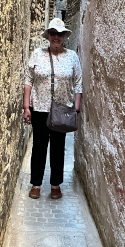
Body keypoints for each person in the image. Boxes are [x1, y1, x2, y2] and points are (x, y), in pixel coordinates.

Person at [23, 18, 82, 200]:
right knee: (39, 147)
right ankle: (36, 184)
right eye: (53, 33)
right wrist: (26, 106)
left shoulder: (72, 56)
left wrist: (76, 108)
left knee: (58, 147)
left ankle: (55, 184)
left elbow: (78, 82)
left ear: (64, 36)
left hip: (62, 109)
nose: (56, 37)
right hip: (39, 108)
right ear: (48, 35)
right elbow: (28, 80)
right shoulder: (38, 54)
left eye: (59, 34)